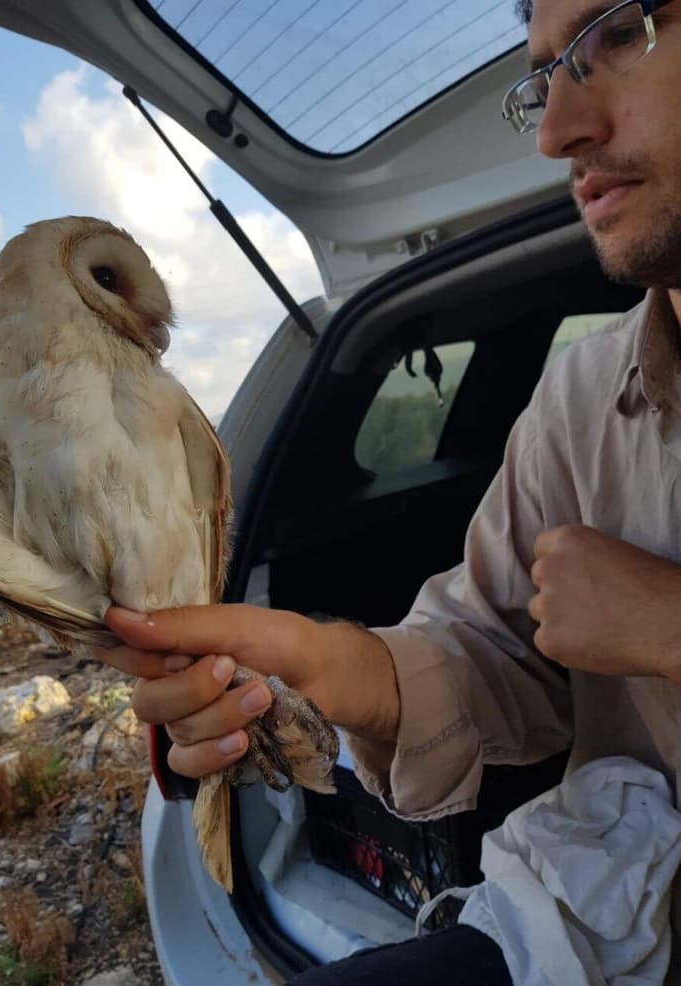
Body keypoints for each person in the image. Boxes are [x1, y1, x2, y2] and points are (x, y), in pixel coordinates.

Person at [101, 0, 681, 981]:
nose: (554, 132)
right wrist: (326, 672)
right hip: (613, 924)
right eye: (542, 79)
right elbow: (496, 650)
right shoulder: (582, 399)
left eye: (615, 35)